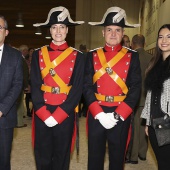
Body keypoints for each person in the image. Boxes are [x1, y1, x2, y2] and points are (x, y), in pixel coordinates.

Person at [83, 6, 141, 170]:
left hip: (120, 113)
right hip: (97, 113)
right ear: (103, 32)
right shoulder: (92, 55)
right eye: (109, 29)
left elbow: (136, 87)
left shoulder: (132, 56)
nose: (113, 34)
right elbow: (86, 85)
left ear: (123, 34)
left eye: (117, 30)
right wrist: (98, 113)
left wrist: (120, 114)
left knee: (117, 159)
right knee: (94, 158)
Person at [31, 6, 84, 170]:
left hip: (65, 112)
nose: (58, 31)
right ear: (50, 30)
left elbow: (77, 89)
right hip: (43, 111)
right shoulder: (38, 54)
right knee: (42, 155)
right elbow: (34, 84)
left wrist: (60, 114)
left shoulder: (78, 56)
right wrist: (44, 113)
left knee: (62, 156)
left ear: (67, 30)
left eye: (62, 27)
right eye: (54, 27)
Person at [141, 24, 170, 170]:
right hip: (154, 122)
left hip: (166, 122)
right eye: (161, 37)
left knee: (165, 163)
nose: (164, 40)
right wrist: (147, 121)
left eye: (169, 36)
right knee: (161, 161)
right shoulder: (155, 63)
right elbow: (150, 96)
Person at [0, 15, 23, 170]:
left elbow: (17, 85)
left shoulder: (15, 56)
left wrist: (2, 109)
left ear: (6, 32)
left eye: (0, 27)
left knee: (3, 160)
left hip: (4, 117)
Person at [125, 34, 152, 164]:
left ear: (133, 43)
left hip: (133, 99)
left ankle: (133, 156)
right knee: (143, 127)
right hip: (147, 99)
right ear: (144, 43)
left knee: (134, 128)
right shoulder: (151, 58)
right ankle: (142, 153)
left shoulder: (130, 57)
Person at [16, 44, 29, 127]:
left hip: (18, 84)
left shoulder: (18, 58)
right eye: (26, 50)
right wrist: (25, 85)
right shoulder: (21, 59)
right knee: (20, 104)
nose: (27, 52)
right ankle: (19, 123)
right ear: (24, 51)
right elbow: (24, 73)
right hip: (20, 84)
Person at [25, 47, 34, 117]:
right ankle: (28, 109)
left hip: (34, 81)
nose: (32, 52)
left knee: (34, 96)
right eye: (31, 51)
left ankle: (32, 110)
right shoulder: (26, 61)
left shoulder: (36, 61)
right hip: (27, 80)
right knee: (27, 96)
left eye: (33, 51)